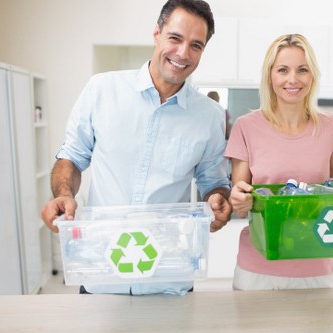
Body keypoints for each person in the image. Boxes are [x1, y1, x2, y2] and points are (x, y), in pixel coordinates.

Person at [41, 0, 231, 295]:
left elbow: (214, 182)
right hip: (101, 273)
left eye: (196, 45)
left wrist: (219, 200)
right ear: (156, 33)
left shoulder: (210, 117)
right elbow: (72, 158)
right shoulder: (101, 90)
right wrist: (64, 195)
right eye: (175, 38)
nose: (183, 53)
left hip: (169, 277)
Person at [225, 34, 333, 291]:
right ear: (270, 75)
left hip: (316, 268)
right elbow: (240, 204)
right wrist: (239, 198)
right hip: (258, 269)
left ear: (312, 75)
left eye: (302, 70)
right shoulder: (246, 127)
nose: (292, 79)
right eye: (283, 70)